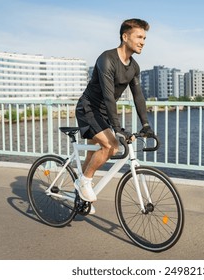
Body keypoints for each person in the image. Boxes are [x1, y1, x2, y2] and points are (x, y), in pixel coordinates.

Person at [75, 18, 154, 214]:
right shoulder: (107, 59)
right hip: (88, 108)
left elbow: (138, 96)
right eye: (139, 36)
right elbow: (109, 97)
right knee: (111, 145)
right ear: (125, 36)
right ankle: (84, 181)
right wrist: (117, 129)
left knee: (94, 151)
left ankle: (80, 195)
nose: (143, 41)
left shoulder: (134, 67)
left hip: (102, 112)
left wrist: (146, 124)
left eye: (144, 37)